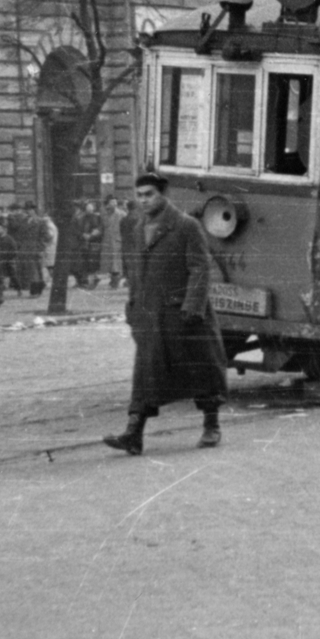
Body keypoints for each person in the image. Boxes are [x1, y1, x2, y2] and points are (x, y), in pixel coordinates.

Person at [103, 173, 227, 455]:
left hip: (183, 315)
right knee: (146, 373)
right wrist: (132, 307)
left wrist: (192, 308)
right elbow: (136, 272)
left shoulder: (186, 225)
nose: (144, 200)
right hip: (150, 315)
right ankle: (134, 433)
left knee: (202, 370)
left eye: (149, 194)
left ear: (163, 194)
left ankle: (212, 425)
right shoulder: (136, 227)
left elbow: (200, 268)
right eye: (140, 195)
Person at [78, 200, 103, 288]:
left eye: (91, 210)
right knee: (86, 262)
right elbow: (79, 229)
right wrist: (83, 235)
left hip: (94, 243)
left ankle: (92, 281)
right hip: (84, 242)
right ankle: (90, 280)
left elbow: (100, 228)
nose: (89, 211)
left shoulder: (98, 217)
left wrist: (92, 235)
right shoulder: (82, 218)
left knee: (93, 262)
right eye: (87, 210)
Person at [102, 195, 125, 289]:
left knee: (116, 263)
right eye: (112, 202)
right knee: (109, 263)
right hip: (107, 241)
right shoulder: (105, 214)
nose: (114, 204)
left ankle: (116, 281)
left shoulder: (121, 214)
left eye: (115, 202)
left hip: (117, 240)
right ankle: (113, 279)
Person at [39, 208, 59, 296]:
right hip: (52, 247)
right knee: (49, 266)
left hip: (49, 248)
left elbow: (49, 236)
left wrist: (43, 242)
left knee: (49, 267)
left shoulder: (48, 225)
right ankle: (52, 281)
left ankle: (53, 282)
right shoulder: (52, 225)